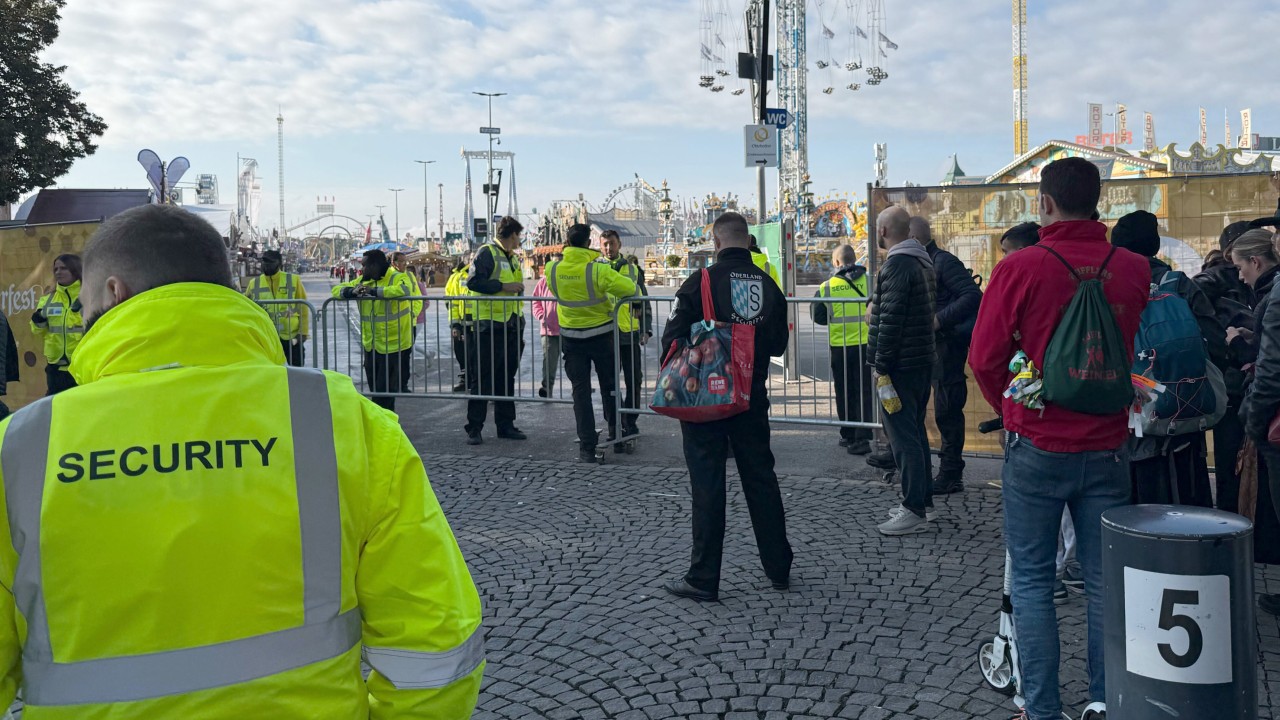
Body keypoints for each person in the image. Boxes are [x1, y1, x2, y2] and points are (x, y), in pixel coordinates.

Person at [0, 204, 484, 717]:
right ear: (225, 286)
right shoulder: (346, 423)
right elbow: (436, 644)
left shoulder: (22, 450)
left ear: (114, 292)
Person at [970, 157, 1150, 720]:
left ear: (1044, 203)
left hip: (1038, 442)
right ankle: (1104, 701)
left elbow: (984, 357)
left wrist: (1014, 406)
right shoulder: (1134, 267)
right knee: (1103, 583)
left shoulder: (1021, 267)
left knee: (1030, 579)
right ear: (1099, 202)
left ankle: (1043, 708)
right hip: (1108, 443)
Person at [662, 211, 792, 602]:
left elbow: (672, 339)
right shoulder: (769, 285)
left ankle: (703, 577)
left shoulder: (700, 282)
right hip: (751, 397)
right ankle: (779, 569)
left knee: (707, 484)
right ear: (748, 241)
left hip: (707, 399)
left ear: (716, 243)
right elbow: (778, 346)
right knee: (761, 479)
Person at [1111, 210, 1225, 507]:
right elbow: (1214, 344)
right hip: (1183, 417)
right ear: (1155, 245)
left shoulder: (1107, 286)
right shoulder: (1180, 285)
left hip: (1131, 417)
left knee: (1134, 503)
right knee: (1186, 499)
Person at [867, 207, 938, 535]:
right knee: (916, 433)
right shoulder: (921, 261)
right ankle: (924, 502)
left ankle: (913, 509)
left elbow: (890, 322)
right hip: (920, 362)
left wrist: (881, 367)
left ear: (882, 230)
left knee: (903, 437)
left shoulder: (896, 265)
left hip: (899, 367)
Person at [545, 226, 637, 462]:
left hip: (571, 338)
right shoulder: (597, 270)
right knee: (610, 388)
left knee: (581, 392)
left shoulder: (552, 268)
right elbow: (630, 288)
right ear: (589, 243)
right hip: (601, 336)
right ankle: (616, 435)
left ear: (566, 241)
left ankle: (587, 447)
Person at [908, 216, 982, 495]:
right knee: (929, 408)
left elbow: (972, 296)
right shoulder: (922, 261)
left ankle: (951, 473)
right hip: (929, 347)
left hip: (946, 347)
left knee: (947, 411)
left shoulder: (943, 261)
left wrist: (939, 320)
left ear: (914, 238)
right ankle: (931, 470)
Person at [1195, 222, 1257, 512]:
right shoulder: (1220, 278)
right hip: (1233, 384)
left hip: (1236, 383)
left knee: (1236, 464)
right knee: (1234, 464)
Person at [1242, 228, 1280, 616]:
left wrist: (1254, 424)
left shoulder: (1275, 297)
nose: (1238, 276)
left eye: (1241, 266)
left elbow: (1271, 371)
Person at [464, 216, 527, 445]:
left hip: (509, 325)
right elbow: (473, 282)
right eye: (519, 235)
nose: (520, 240)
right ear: (512, 235)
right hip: (488, 326)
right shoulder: (487, 253)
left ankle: (506, 424)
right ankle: (474, 427)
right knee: (482, 378)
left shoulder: (510, 258)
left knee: (505, 379)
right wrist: (503, 287)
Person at [332, 250, 414, 411]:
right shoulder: (363, 281)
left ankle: (386, 428)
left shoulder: (397, 277)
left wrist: (374, 292)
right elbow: (336, 290)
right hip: (371, 345)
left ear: (375, 265)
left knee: (384, 394)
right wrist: (351, 292)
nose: (362, 269)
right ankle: (384, 426)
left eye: (364, 265)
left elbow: (403, 290)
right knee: (376, 390)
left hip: (393, 345)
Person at [811, 244, 873, 455]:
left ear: (836, 263)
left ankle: (848, 434)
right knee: (865, 390)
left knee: (845, 391)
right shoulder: (870, 282)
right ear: (854, 259)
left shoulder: (827, 287)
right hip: (867, 345)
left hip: (841, 346)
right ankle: (863, 436)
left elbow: (818, 316)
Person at [601, 230, 652, 444]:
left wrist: (645, 329)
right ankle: (614, 423)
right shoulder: (596, 269)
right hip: (605, 333)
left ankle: (630, 421)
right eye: (604, 244)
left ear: (619, 244)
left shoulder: (632, 270)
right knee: (609, 383)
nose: (608, 248)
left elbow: (643, 300)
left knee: (634, 380)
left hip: (629, 333)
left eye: (611, 243)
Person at [245, 250, 310, 367]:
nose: (266, 265)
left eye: (270, 262)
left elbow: (303, 307)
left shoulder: (293, 280)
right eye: (263, 262)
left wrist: (303, 332)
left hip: (291, 337)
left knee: (296, 374)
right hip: (266, 338)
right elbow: (246, 309)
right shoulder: (254, 283)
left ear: (279, 263)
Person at [30, 254, 84, 395]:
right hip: (55, 369)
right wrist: (38, 320)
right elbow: (36, 330)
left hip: (81, 366)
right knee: (56, 409)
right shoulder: (48, 299)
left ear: (75, 270)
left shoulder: (88, 297)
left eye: (63, 268)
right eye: (56, 269)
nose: (58, 272)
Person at [531, 254, 563, 398]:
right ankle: (547, 387)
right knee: (549, 361)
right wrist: (541, 316)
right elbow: (535, 301)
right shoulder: (544, 281)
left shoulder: (568, 280)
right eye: (555, 263)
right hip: (549, 329)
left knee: (575, 361)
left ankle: (579, 386)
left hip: (569, 328)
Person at [446, 257, 473, 392]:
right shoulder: (457, 278)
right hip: (463, 324)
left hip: (482, 323)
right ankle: (465, 379)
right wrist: (455, 325)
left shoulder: (483, 273)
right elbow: (452, 303)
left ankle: (476, 381)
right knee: (461, 353)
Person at [390, 251, 426, 345]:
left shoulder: (410, 276)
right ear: (394, 263)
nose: (405, 264)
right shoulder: (388, 275)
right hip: (392, 324)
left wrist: (413, 313)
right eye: (402, 261)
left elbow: (418, 297)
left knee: (407, 353)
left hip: (410, 322)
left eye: (406, 261)